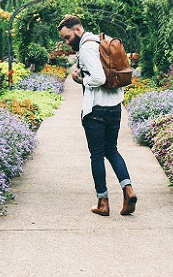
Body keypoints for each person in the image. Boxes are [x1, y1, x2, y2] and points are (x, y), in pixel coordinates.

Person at [57, 15, 137, 216]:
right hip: (114, 107)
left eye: (67, 38)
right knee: (112, 150)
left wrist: (80, 80)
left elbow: (99, 78)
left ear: (77, 30)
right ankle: (128, 190)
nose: (67, 42)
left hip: (96, 111)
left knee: (96, 155)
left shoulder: (85, 48)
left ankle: (103, 202)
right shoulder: (102, 39)